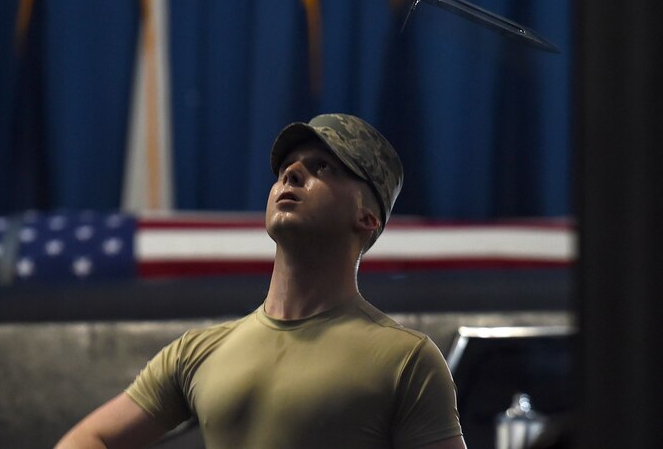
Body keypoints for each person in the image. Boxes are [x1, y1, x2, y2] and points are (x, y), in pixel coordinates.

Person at [56, 114, 466, 448]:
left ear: (367, 218)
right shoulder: (197, 352)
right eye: (288, 168)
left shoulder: (407, 361)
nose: (292, 174)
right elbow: (90, 439)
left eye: (323, 167)